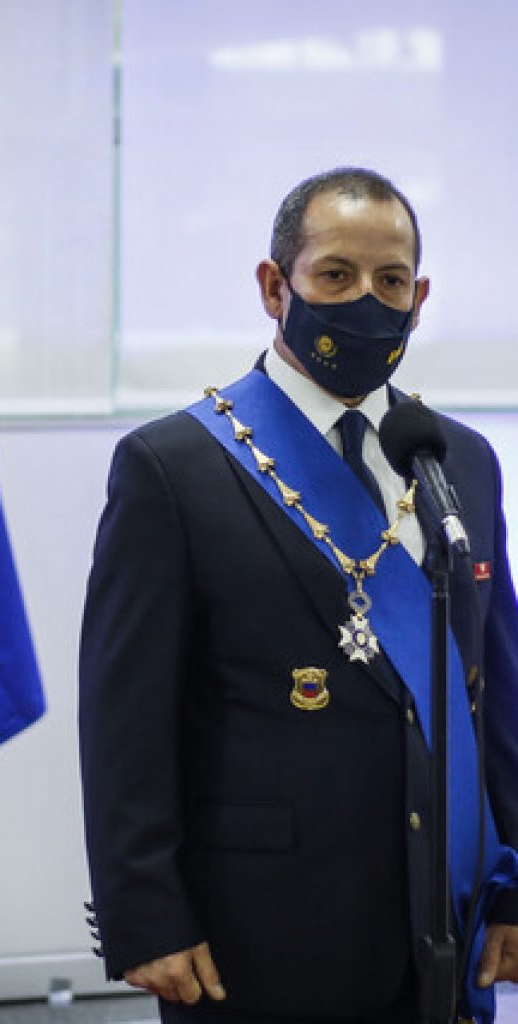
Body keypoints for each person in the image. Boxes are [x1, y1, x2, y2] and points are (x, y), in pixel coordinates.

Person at [78, 167, 518, 1023]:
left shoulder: (458, 459)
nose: (365, 300)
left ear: (420, 297)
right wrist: (146, 914)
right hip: (263, 920)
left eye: (390, 281)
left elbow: (496, 693)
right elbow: (126, 717)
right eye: (335, 276)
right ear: (275, 286)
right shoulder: (172, 468)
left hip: (445, 909)